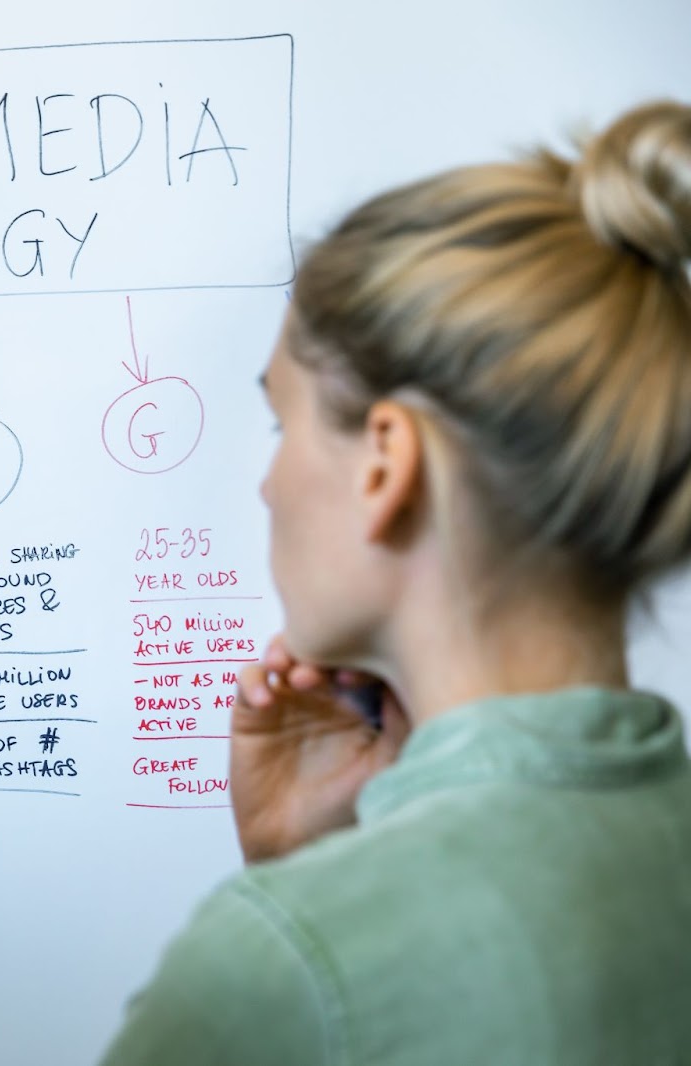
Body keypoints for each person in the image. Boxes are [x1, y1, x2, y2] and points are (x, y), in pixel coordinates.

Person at [101, 100, 691, 1064]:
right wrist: (322, 873)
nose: (265, 482)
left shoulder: (284, 965)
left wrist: (299, 913)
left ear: (385, 465)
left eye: (282, 427)